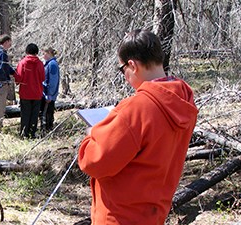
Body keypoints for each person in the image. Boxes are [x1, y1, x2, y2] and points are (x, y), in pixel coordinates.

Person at [78, 29, 198, 224]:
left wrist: (92, 134)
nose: (124, 76)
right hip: (154, 212)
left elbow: (95, 162)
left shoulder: (137, 108)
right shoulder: (184, 100)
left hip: (121, 216)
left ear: (132, 65)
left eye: (122, 69)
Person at [14, 43, 45, 139]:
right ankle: (32, 134)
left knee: (25, 114)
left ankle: (24, 134)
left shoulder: (22, 63)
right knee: (34, 115)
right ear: (37, 52)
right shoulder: (40, 63)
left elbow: (18, 78)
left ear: (27, 52)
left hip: (25, 94)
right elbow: (43, 78)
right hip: (37, 93)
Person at [40, 47, 60, 132]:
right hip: (45, 93)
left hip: (49, 95)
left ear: (49, 53)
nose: (43, 56)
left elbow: (53, 81)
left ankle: (48, 130)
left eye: (44, 54)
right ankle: (45, 129)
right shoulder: (48, 64)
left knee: (48, 114)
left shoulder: (52, 64)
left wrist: (49, 95)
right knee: (45, 113)